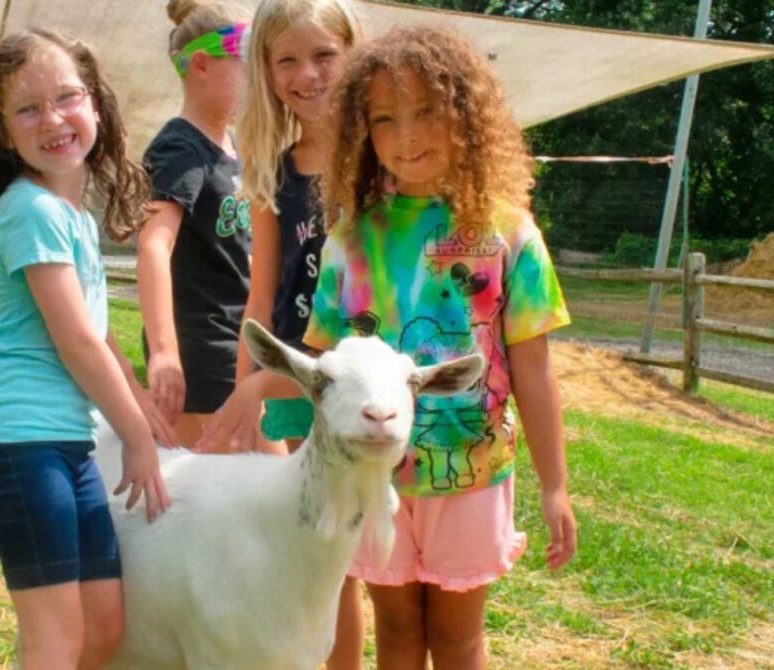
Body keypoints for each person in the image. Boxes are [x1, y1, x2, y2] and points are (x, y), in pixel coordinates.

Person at [306, 27, 578, 669]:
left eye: (427, 110)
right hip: (373, 476)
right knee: (396, 634)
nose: (407, 135)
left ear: (465, 113)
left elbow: (535, 373)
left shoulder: (509, 233)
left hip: (473, 476)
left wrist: (556, 487)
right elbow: (320, 363)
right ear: (360, 133)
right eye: (385, 118)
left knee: (458, 639)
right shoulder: (350, 240)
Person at [0, 29, 171, 669]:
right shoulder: (31, 211)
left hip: (62, 444)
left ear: (95, 105)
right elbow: (74, 340)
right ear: (0, 134)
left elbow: (98, 333)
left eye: (67, 97)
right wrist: (136, 436)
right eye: (27, 109)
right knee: (55, 639)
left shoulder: (70, 216)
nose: (52, 119)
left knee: (103, 629)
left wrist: (138, 402)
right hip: (17, 444)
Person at [195, 1, 366, 667]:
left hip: (375, 384)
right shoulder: (271, 169)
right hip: (299, 384)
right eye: (286, 60)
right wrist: (248, 397)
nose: (307, 74)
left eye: (323, 54)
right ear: (264, 71)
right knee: (333, 562)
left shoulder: (386, 155)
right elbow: (261, 295)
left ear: (354, 50)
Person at [137, 0, 255, 447]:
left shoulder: (232, 145)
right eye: (249, 67)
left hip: (238, 340)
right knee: (215, 491)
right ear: (202, 64)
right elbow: (153, 246)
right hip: (202, 350)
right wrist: (166, 354)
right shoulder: (181, 148)